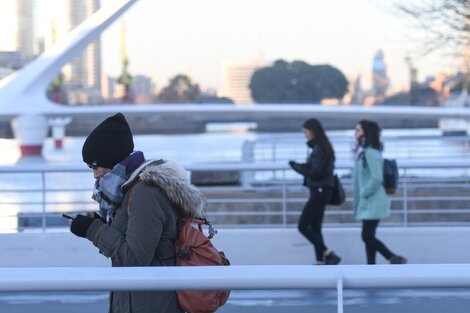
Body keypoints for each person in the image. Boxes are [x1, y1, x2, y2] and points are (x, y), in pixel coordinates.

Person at [68, 113, 206, 313]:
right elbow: (133, 239)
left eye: (95, 165)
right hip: (138, 300)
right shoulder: (128, 188)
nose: (94, 174)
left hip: (151, 304)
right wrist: (99, 224)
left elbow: (134, 257)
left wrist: (93, 230)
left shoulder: (145, 194)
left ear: (112, 158)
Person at [353, 119, 407, 265]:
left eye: (358, 130)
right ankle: (371, 266)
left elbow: (376, 177)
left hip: (373, 200)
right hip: (370, 201)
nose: (355, 133)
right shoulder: (367, 151)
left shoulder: (371, 153)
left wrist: (364, 192)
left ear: (366, 134)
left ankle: (393, 258)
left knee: (366, 236)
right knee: (369, 235)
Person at [288, 118, 341, 265]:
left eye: (305, 132)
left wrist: (296, 167)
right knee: (316, 227)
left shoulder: (319, 149)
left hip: (320, 191)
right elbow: (316, 168)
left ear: (312, 131)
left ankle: (328, 254)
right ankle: (320, 261)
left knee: (303, 226)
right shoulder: (323, 147)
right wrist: (301, 166)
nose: (305, 135)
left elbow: (315, 172)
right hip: (323, 190)